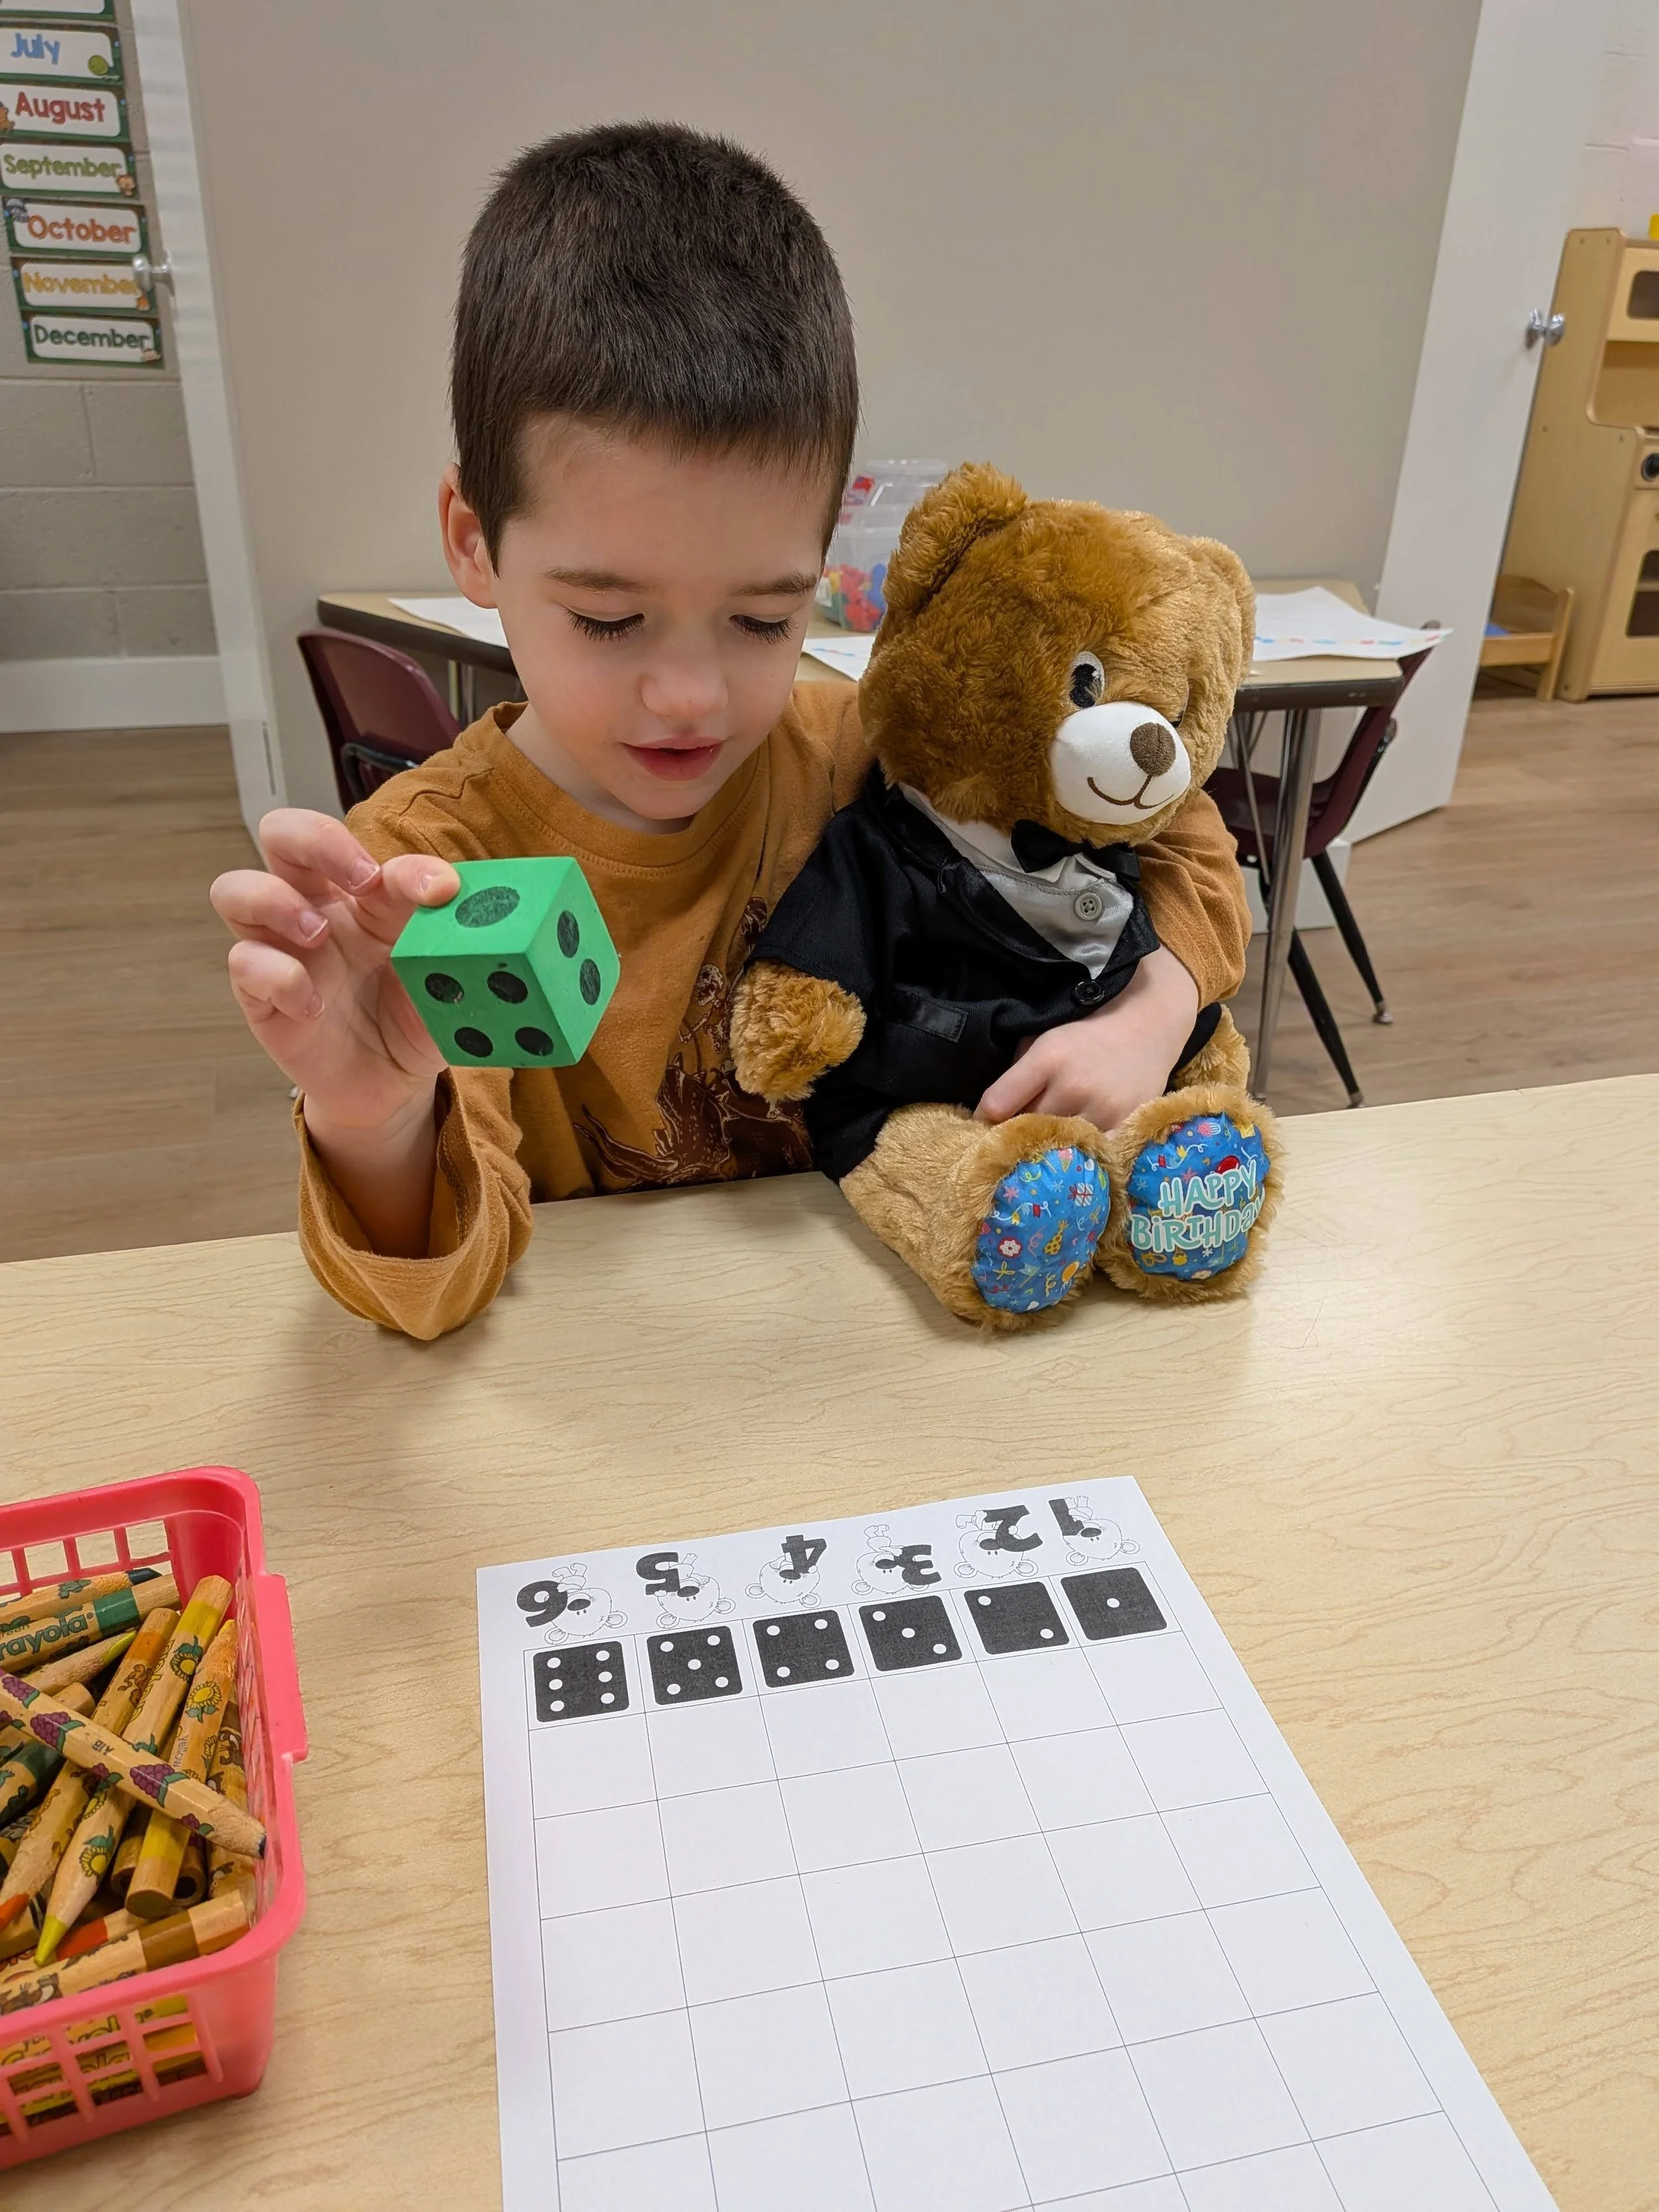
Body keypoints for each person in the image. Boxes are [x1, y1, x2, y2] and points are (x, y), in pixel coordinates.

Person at [211, 121, 1250, 1340]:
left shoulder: (870, 741)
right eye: (609, 620)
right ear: (473, 540)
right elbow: (435, 1296)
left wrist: (1151, 1015)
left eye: (764, 618)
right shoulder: (431, 869)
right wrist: (376, 1123)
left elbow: (1178, 825)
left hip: (892, 1358)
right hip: (628, 1397)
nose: (692, 696)